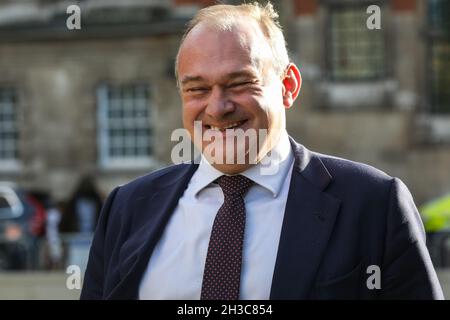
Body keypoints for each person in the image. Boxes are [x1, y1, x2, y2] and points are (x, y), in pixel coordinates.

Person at [81, 2, 444, 300]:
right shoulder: (128, 207)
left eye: (239, 83)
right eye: (197, 89)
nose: (217, 107)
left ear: (288, 86)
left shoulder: (373, 204)